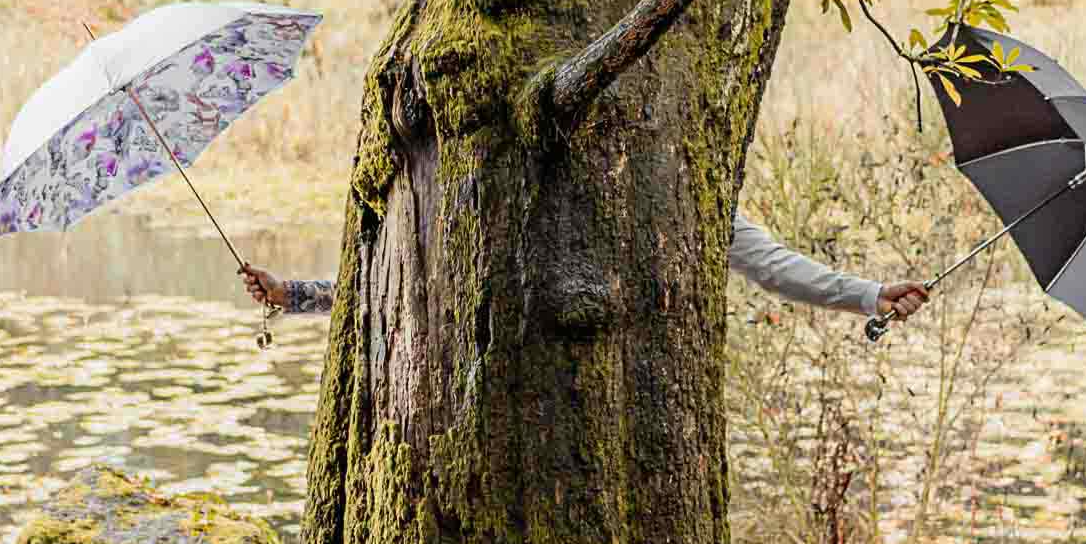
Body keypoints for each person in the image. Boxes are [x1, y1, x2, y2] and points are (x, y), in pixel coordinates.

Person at [240, 217, 928, 325]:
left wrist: (870, 294)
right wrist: (297, 294)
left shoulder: (689, 182)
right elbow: (424, 281)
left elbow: (771, 266)